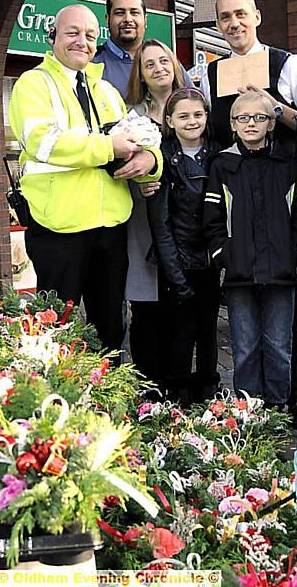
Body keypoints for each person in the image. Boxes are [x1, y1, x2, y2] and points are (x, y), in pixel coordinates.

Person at [8, 4, 162, 353]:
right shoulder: (33, 84)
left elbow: (143, 137)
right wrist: (110, 147)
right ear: (53, 37)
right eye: (73, 33)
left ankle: (107, 402)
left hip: (110, 228)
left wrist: (151, 160)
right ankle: (53, 402)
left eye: (90, 36)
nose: (83, 41)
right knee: (51, 332)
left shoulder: (107, 91)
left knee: (110, 331)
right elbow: (43, 142)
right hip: (59, 227)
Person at [200, 0, 297, 425]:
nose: (234, 23)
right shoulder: (212, 74)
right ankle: (252, 405)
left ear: (257, 15)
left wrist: (274, 108)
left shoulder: (287, 64)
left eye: (240, 14)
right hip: (238, 203)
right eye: (225, 17)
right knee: (251, 335)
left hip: (285, 194)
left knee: (295, 319)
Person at [204, 90, 297, 409]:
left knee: (278, 344)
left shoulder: (286, 164)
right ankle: (248, 408)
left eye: (260, 117)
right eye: (243, 118)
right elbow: (212, 217)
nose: (251, 123)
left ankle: (277, 406)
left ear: (272, 124)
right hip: (239, 272)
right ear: (233, 124)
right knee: (245, 345)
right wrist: (223, 254)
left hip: (281, 271)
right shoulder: (223, 164)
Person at [147, 88, 222, 403]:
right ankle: (177, 398)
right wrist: (175, 272)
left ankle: (208, 393)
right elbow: (161, 224)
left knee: (208, 332)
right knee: (179, 333)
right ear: (169, 121)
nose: (192, 121)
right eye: (183, 116)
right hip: (177, 260)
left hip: (210, 259)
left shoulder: (218, 153)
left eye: (197, 114)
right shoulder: (162, 158)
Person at [124, 40, 186, 389]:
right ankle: (150, 385)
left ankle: (181, 386)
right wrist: (141, 180)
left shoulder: (195, 106)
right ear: (142, 76)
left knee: (183, 308)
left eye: (164, 60)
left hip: (187, 221)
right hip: (146, 221)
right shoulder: (133, 117)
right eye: (150, 65)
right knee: (147, 308)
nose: (159, 67)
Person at [93, 0, 192, 100]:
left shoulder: (169, 63)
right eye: (120, 13)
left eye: (134, 12)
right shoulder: (92, 63)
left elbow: (194, 105)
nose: (128, 19)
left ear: (145, 20)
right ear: (107, 19)